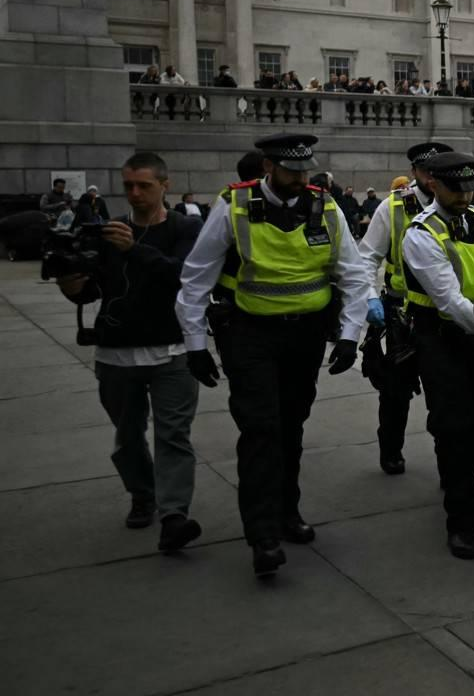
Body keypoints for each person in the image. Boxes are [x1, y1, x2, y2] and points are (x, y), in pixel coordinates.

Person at [175, 134, 372, 577]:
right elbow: (196, 277)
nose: (301, 178)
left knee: (291, 425)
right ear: (268, 167)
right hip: (249, 334)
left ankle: (287, 511)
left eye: (306, 170)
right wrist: (194, 345)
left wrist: (348, 336)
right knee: (261, 428)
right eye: (291, 171)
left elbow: (354, 274)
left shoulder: (327, 206)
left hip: (304, 336)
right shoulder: (234, 206)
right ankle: (262, 535)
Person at [56, 152, 206, 551]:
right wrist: (69, 278)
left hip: (173, 351)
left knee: (174, 435)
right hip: (116, 355)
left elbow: (185, 275)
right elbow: (89, 291)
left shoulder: (185, 226)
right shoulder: (110, 233)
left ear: (165, 185)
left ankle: (174, 515)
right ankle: (143, 494)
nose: (135, 194)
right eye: (128, 186)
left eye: (144, 186)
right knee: (127, 436)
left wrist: (133, 250)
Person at [399, 151, 474, 560]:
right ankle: (459, 520)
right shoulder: (422, 234)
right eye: (455, 190)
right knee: (457, 425)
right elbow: (448, 298)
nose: (465, 197)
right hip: (442, 338)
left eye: (469, 189)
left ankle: (460, 476)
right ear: (433, 186)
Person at [358, 141, 452, 474]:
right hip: (402, 312)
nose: (431, 178)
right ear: (414, 172)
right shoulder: (394, 207)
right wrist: (369, 296)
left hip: (445, 311)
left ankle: (450, 465)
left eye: (436, 171)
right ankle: (391, 449)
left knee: (445, 394)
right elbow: (368, 255)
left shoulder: (458, 201)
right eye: (425, 171)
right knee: (396, 391)